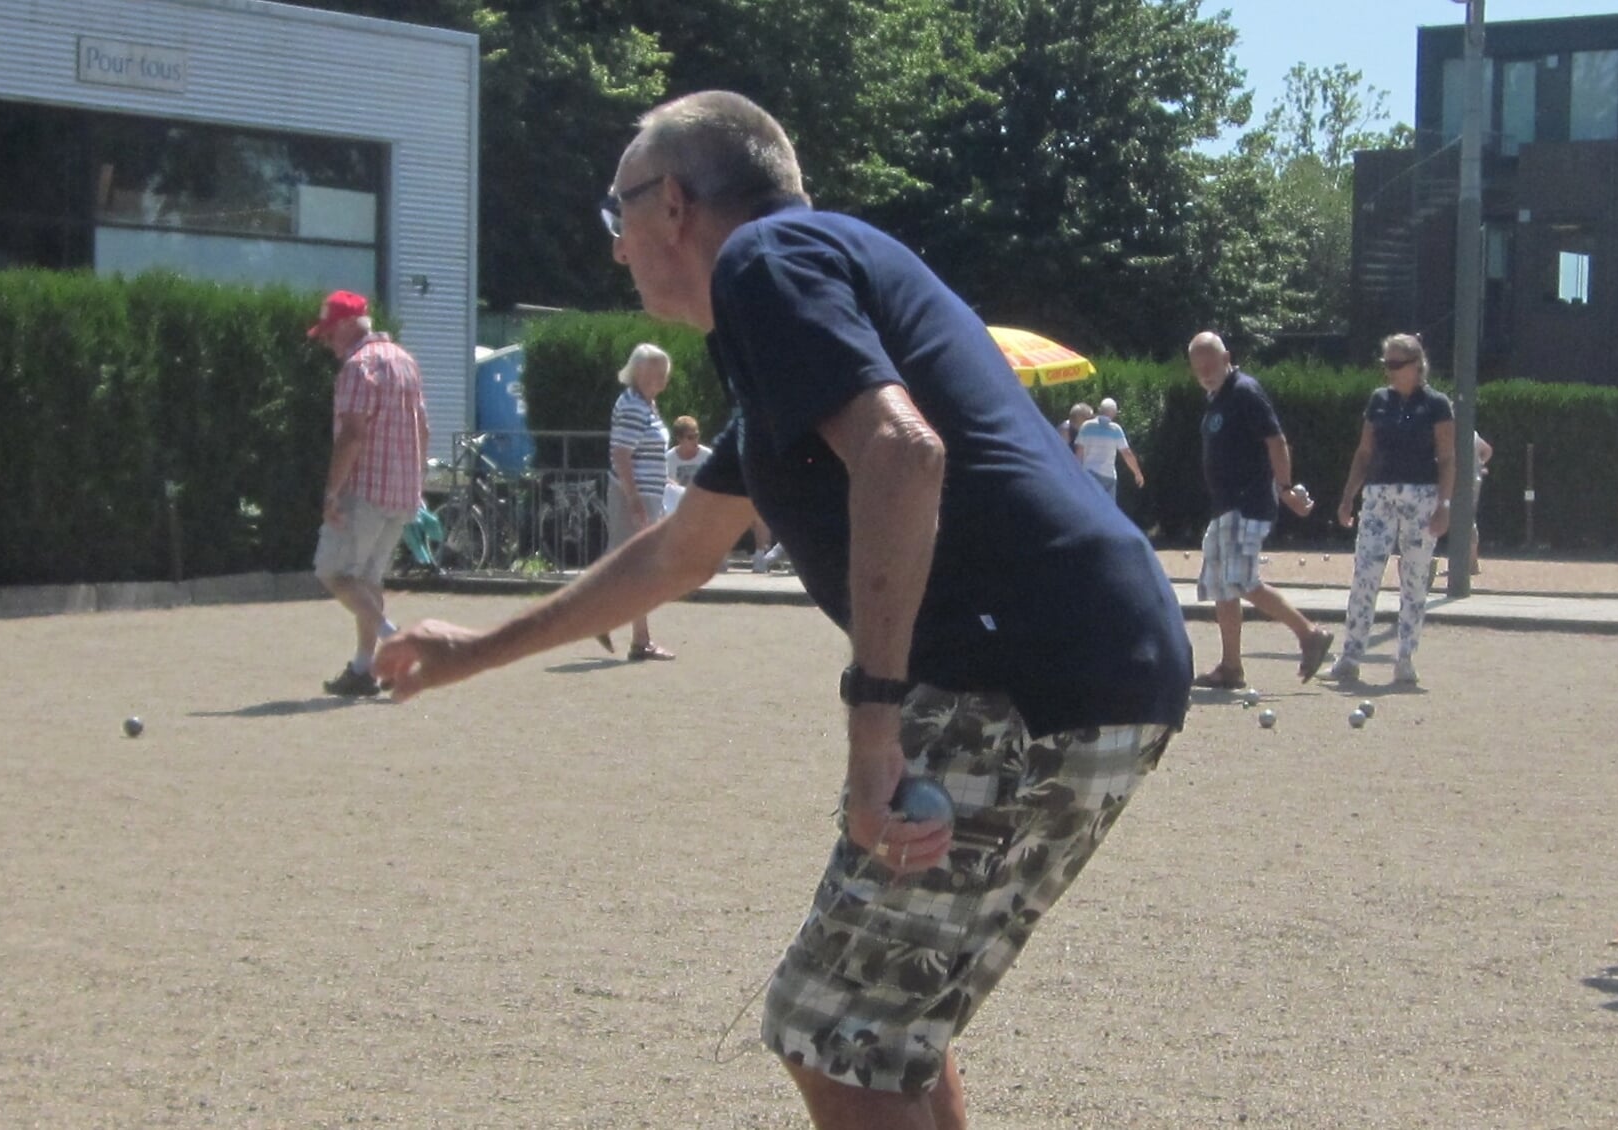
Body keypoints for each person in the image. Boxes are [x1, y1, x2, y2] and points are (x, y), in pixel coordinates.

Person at [375, 91, 1190, 1130]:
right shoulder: (805, 317)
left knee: (827, 1028)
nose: (617, 247)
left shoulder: (765, 263)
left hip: (1016, 670)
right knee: (882, 1032)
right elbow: (679, 550)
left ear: (673, 203)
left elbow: (902, 451)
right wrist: (474, 647)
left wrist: (873, 717)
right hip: (1098, 658)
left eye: (616, 212)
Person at [1188, 331, 1335, 689]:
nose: (1206, 372)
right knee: (1222, 585)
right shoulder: (1217, 398)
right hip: (1225, 507)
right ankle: (1231, 667)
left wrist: (1285, 487)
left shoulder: (1244, 391)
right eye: (1199, 367)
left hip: (1247, 503)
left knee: (1240, 580)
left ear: (1227, 358)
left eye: (1211, 364)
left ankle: (1309, 633)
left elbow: (1276, 439)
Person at [308, 290, 430, 697]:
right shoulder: (405, 361)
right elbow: (424, 428)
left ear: (346, 325)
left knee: (333, 571)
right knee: (367, 579)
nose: (328, 343)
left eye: (329, 334)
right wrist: (418, 485)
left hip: (366, 490)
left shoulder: (357, 368)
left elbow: (352, 435)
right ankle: (363, 668)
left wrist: (330, 492)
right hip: (402, 492)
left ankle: (394, 641)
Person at [1327, 333, 1455, 687]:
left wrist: (1444, 506)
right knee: (1365, 573)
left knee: (1414, 577)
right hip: (1379, 493)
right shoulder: (1378, 400)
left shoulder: (1437, 405)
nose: (1389, 370)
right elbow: (1365, 452)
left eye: (1396, 364)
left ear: (1417, 366)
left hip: (1422, 495)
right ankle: (1350, 656)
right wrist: (1348, 495)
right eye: (1386, 364)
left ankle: (1405, 657)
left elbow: (1446, 458)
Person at [600, 343, 675, 661]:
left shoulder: (645, 404)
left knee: (629, 563)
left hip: (646, 493)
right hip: (637, 494)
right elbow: (621, 453)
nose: (657, 378)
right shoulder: (633, 404)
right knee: (638, 566)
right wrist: (633, 498)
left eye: (661, 372)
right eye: (650, 371)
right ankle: (638, 639)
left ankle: (602, 617)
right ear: (635, 372)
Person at [1073, 397, 1145, 500]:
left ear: (1100, 409)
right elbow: (1127, 453)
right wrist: (1137, 473)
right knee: (1108, 510)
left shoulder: (1086, 426)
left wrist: (1076, 473)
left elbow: (1079, 453)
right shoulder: (1115, 429)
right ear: (1114, 413)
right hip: (1108, 476)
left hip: (1089, 474)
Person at [663, 414, 711, 516]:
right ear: (679, 439)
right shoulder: (668, 458)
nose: (695, 440)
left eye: (697, 435)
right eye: (690, 437)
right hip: (678, 509)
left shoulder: (708, 456)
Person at [1470, 430, 1493, 575]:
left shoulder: (1456, 432)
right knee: (1466, 519)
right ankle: (1470, 561)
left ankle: (1471, 562)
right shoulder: (1473, 434)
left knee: (1465, 521)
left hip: (1462, 481)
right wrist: (1480, 465)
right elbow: (1487, 450)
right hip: (1474, 479)